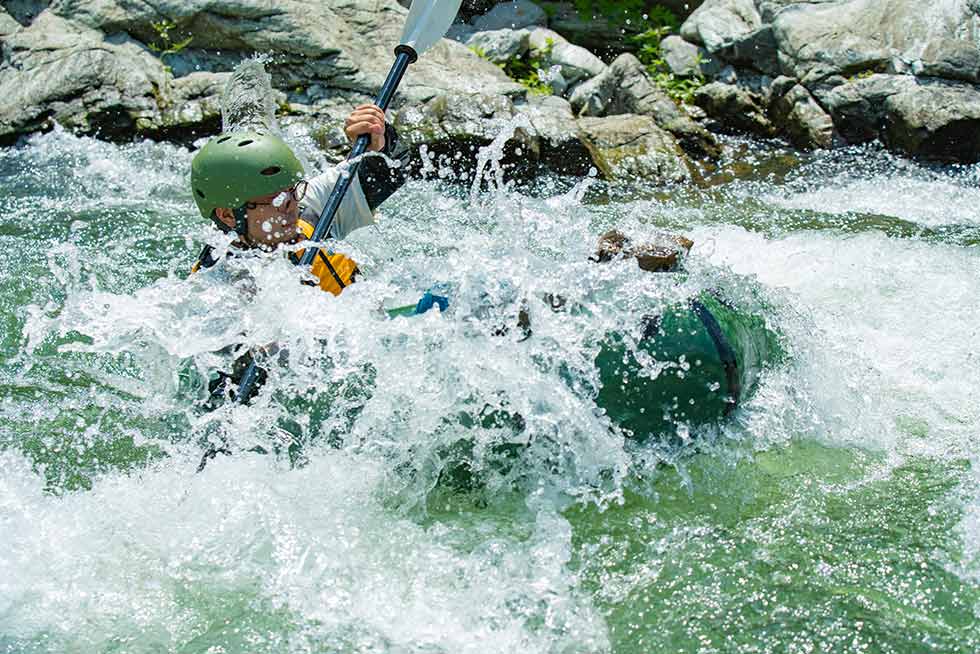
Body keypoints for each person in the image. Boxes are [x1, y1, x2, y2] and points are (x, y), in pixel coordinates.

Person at [189, 104, 411, 294]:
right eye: (277, 201)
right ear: (228, 215)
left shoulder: (308, 208)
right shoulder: (213, 285)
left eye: (292, 192)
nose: (292, 207)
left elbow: (392, 171)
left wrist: (378, 143)